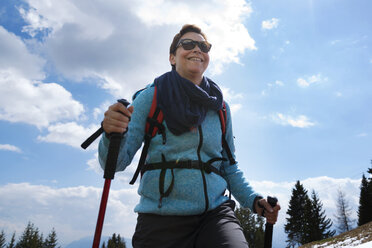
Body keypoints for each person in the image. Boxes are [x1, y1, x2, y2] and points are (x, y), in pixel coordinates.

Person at [99, 24, 281, 248]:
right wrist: (111, 134)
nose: (197, 49)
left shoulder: (220, 108)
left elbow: (229, 166)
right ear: (172, 57)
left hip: (215, 214)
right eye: (187, 44)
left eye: (203, 46)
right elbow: (116, 162)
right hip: (160, 219)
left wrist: (253, 200)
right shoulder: (150, 98)